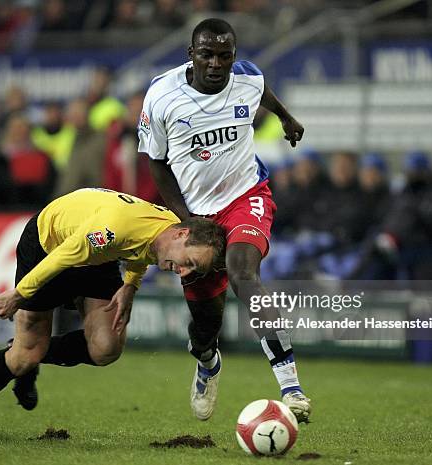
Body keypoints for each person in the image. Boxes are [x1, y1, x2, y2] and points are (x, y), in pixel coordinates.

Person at [137, 18, 310, 422]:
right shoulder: (162, 96)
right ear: (191, 55)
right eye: (207, 55)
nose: (216, 63)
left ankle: (291, 386)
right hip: (197, 212)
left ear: (234, 56)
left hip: (246, 196)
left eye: (225, 56)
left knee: (242, 273)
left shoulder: (246, 77)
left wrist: (286, 117)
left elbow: (259, 89)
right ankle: (207, 361)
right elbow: (157, 165)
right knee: (205, 323)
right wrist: (188, 220)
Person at [0, 188, 226, 436]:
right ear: (182, 234)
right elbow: (65, 255)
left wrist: (130, 285)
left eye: (193, 269)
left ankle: (35, 355)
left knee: (106, 347)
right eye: (188, 262)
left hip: (99, 257)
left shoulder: (166, 233)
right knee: (24, 356)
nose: (185, 272)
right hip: (49, 246)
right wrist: (20, 293)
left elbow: (144, 250)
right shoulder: (114, 229)